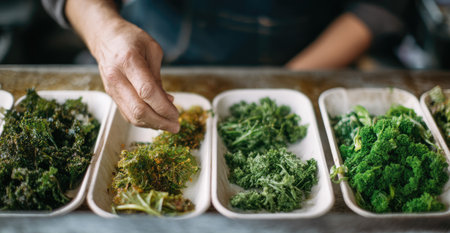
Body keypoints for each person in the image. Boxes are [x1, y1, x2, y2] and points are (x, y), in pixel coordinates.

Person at [41, 0, 407, 133]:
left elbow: (380, 7)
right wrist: (105, 31)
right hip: (148, 58)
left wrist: (287, 79)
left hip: (304, 59)